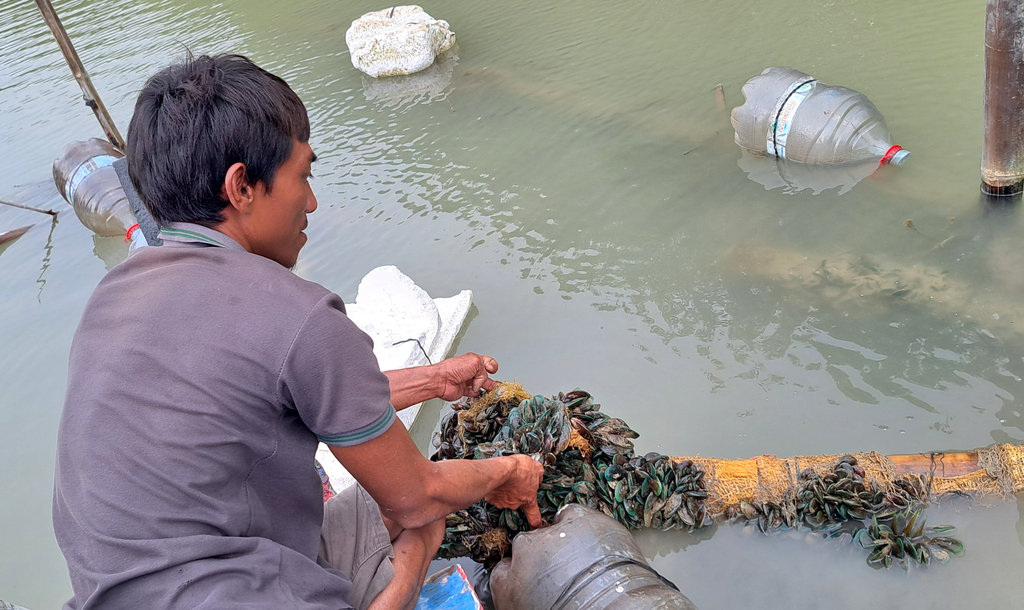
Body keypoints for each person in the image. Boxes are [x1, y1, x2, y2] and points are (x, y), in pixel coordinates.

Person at [52, 53, 544, 609]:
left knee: (376, 507)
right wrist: (510, 471)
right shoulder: (299, 313)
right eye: (302, 175)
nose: (310, 202)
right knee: (422, 520)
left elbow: (287, 394)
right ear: (241, 186)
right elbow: (415, 498)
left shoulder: (113, 295)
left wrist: (433, 381)